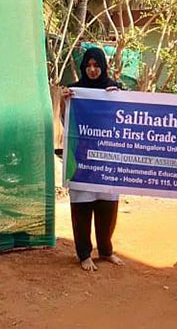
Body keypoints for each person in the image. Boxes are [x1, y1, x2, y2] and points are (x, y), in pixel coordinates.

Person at [62, 47, 125, 271]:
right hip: (82, 160)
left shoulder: (113, 89)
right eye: (88, 65)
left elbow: (124, 119)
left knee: (108, 208)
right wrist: (65, 103)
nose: (92, 70)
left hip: (108, 159)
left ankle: (106, 251)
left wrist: (117, 97)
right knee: (82, 207)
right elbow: (66, 123)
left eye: (96, 65)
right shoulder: (75, 92)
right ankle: (84, 254)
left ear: (103, 67)